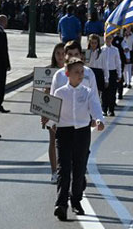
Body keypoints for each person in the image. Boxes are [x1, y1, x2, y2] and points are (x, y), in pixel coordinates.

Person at [45, 57, 105, 221]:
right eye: (76, 72)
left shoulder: (87, 92)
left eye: (82, 72)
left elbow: (95, 106)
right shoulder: (60, 92)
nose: (80, 75)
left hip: (82, 133)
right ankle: (61, 204)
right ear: (67, 73)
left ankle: (76, 200)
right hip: (64, 133)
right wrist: (48, 121)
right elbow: (52, 114)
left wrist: (99, 119)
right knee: (63, 170)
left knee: (79, 170)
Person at [46, 42, 66, 183]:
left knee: (66, 143)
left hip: (67, 112)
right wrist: (44, 113)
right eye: (57, 53)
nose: (60, 56)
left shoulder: (70, 71)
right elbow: (44, 94)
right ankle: (54, 171)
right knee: (53, 141)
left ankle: (65, 169)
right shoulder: (49, 71)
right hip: (53, 110)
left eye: (62, 53)